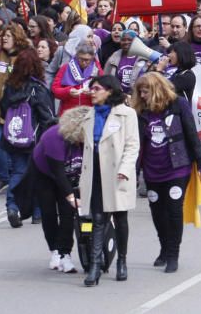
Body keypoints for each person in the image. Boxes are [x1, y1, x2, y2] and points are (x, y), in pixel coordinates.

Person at [133, 72, 201, 274]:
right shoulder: (140, 112)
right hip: (152, 169)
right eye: (140, 92)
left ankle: (173, 254)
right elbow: (137, 144)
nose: (143, 95)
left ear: (157, 90)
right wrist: (134, 171)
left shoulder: (179, 104)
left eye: (146, 91)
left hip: (177, 166)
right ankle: (164, 248)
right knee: (157, 210)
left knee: (174, 209)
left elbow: (191, 132)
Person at [78, 75, 139, 286]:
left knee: (120, 218)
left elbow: (132, 145)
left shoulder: (127, 114)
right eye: (91, 89)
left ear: (109, 91)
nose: (92, 92)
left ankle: (121, 260)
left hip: (116, 171)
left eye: (96, 88)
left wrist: (125, 169)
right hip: (95, 171)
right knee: (97, 218)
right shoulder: (89, 115)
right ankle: (95, 265)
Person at [32, 105, 90, 274]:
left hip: (72, 172)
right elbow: (58, 174)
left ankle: (66, 253)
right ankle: (55, 251)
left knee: (69, 214)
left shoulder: (89, 141)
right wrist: (71, 197)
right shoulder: (54, 137)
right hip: (45, 173)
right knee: (49, 211)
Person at [1, 48, 55, 227]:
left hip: (13, 137)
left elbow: (3, 109)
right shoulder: (38, 88)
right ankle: (38, 212)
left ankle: (12, 206)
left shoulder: (9, 87)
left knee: (17, 171)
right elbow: (47, 116)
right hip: (34, 138)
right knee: (39, 173)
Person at [0, 23, 30, 196]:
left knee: (14, 144)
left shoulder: (24, 57)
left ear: (17, 38)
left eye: (8, 35)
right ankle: (4, 177)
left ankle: (16, 177)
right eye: (2, 35)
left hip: (15, 109)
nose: (4, 38)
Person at [51, 43, 101, 114]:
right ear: (76, 56)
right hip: (68, 113)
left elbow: (103, 90)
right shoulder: (66, 68)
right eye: (81, 59)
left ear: (92, 58)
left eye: (87, 60)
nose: (84, 63)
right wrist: (68, 91)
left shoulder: (96, 69)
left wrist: (92, 92)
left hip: (89, 113)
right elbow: (55, 90)